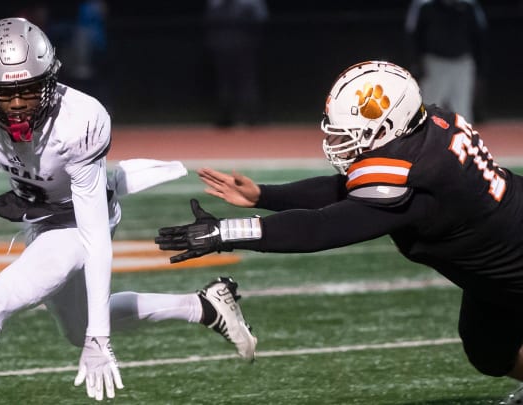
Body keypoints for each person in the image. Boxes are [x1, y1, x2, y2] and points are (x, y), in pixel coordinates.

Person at [0, 17, 256, 404]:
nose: (19, 103)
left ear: (50, 79)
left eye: (29, 89)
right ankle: (206, 306)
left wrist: (100, 338)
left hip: (79, 219)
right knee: (75, 329)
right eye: (6, 93)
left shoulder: (79, 121)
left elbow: (93, 236)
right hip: (39, 217)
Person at [155, 60, 523, 404]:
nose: (338, 142)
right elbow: (350, 188)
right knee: (488, 350)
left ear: (390, 125)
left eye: (352, 134)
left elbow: (323, 228)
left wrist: (225, 232)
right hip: (497, 268)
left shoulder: (415, 173)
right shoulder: (423, 131)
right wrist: (263, 196)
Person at [405, 0, 487, 123]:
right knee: (429, 108)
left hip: (462, 63)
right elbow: (413, 35)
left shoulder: (469, 5)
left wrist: (481, 70)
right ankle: (427, 141)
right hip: (434, 63)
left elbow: (480, 37)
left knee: (462, 110)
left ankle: (462, 141)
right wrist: (416, 63)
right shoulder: (423, 4)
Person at [205, 0, 268, 128]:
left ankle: (251, 117)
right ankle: (225, 117)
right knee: (224, 82)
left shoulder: (251, 3)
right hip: (222, 44)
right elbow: (209, 19)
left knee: (247, 81)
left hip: (245, 44)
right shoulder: (216, 3)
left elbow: (262, 19)